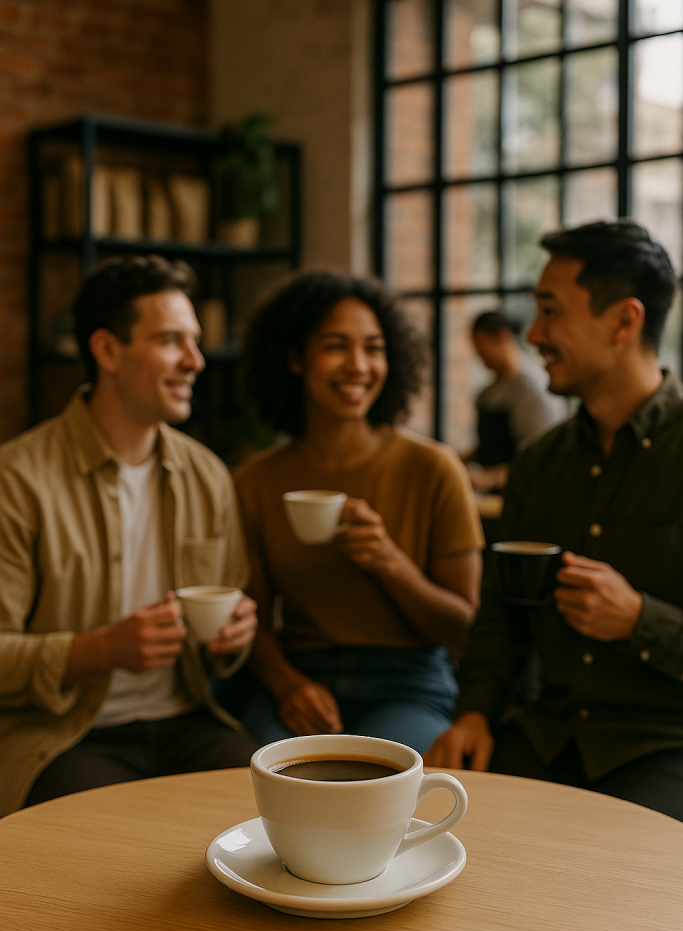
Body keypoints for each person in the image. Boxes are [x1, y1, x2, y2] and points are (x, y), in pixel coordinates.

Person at [425, 219, 683, 821]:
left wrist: (639, 620)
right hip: (544, 736)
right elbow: (501, 614)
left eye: (550, 312)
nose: (534, 333)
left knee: (618, 868)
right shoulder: (539, 463)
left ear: (625, 321)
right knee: (429, 834)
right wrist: (474, 713)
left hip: (662, 745)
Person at [0, 255, 258, 816]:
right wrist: (98, 650)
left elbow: (225, 634)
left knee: (270, 810)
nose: (194, 361)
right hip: (66, 734)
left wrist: (233, 638)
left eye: (195, 342)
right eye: (170, 340)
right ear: (107, 351)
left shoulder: (208, 476)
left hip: (186, 722)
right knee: (104, 834)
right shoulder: (17, 480)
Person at [230, 270, 485, 752]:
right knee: (254, 774)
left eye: (374, 348)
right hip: (302, 673)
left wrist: (390, 563)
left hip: (408, 681)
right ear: (295, 359)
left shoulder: (434, 469)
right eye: (335, 346)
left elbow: (462, 629)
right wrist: (287, 684)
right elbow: (253, 621)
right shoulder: (256, 481)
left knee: (386, 783)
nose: (359, 366)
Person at [464, 309, 566, 493]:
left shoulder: (532, 389)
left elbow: (542, 460)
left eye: (482, 349)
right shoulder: (487, 393)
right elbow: (491, 448)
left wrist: (488, 478)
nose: (479, 356)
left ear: (502, 337)